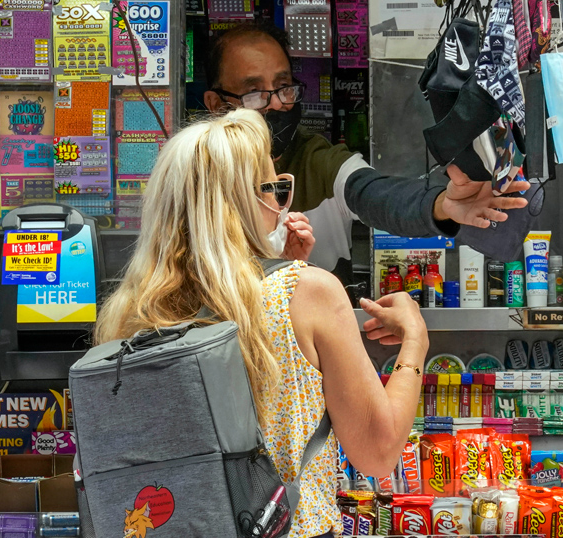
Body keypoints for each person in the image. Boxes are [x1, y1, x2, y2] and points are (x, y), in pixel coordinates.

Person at [95, 109, 430, 538]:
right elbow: (378, 451)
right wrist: (415, 340)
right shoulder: (309, 293)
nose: (279, 205)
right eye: (273, 190)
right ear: (241, 203)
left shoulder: (130, 310)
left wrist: (285, 269)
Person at [202, 20, 531, 281]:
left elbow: (377, 194)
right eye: (255, 93)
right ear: (216, 104)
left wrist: (440, 203)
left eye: (284, 87)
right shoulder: (195, 179)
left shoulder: (318, 162)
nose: (276, 103)